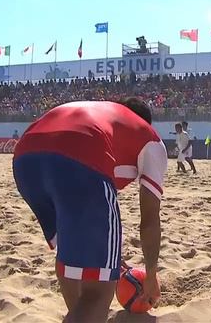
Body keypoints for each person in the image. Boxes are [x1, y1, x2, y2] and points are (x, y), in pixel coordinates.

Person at [13, 98, 167, 323]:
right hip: (82, 155)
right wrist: (151, 275)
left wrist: (108, 255)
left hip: (26, 158)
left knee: (68, 257)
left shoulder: (106, 117)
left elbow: (86, 217)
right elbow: (150, 220)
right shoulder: (150, 139)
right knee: (99, 291)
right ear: (147, 123)